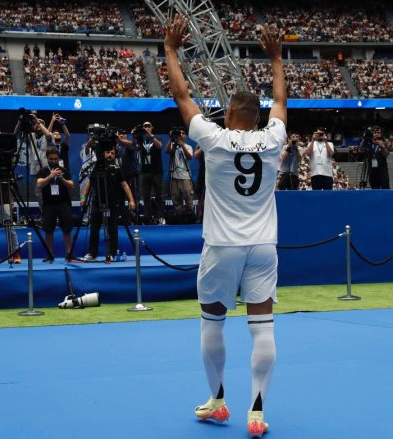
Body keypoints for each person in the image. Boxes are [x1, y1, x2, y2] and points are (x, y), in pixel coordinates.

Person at [164, 15, 286, 438]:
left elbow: (182, 95)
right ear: (258, 117)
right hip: (263, 246)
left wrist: (170, 50)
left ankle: (217, 399)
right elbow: (282, 104)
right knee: (263, 327)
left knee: (212, 323)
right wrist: (276, 59)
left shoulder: (212, 137)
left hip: (221, 246)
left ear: (231, 112)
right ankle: (257, 412)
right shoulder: (273, 140)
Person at [80, 147, 135, 262]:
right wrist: (83, 198)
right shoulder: (97, 168)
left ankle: (112, 253)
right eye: (108, 152)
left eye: (112, 153)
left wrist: (131, 200)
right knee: (94, 229)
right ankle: (92, 254)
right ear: (103, 153)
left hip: (112, 204)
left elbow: (125, 185)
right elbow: (89, 184)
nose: (110, 155)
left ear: (115, 155)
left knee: (112, 230)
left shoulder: (117, 169)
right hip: (97, 203)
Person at [36, 148, 74, 262]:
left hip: (64, 203)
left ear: (59, 159)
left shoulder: (64, 170)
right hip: (48, 204)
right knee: (48, 230)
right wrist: (50, 176)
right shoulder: (43, 171)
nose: (53, 161)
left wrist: (61, 178)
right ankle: (50, 255)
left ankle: (69, 254)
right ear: (47, 159)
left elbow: (71, 185)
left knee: (67, 230)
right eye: (51, 159)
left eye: (55, 159)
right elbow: (39, 184)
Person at [136, 121, 165, 225]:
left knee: (159, 195)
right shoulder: (141, 139)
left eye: (148, 126)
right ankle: (148, 216)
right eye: (145, 126)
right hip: (145, 171)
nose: (147, 128)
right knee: (146, 195)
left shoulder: (156, 137)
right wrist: (135, 135)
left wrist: (150, 135)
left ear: (152, 127)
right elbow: (135, 148)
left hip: (156, 171)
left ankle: (160, 216)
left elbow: (159, 146)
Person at [165, 127, 194, 212]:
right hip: (174, 177)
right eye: (179, 133)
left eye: (183, 133)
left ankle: (190, 216)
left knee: (188, 198)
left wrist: (182, 145)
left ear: (185, 136)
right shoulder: (173, 146)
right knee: (176, 200)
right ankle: (179, 216)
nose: (181, 135)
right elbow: (166, 151)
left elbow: (189, 157)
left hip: (185, 177)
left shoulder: (188, 147)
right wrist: (171, 139)